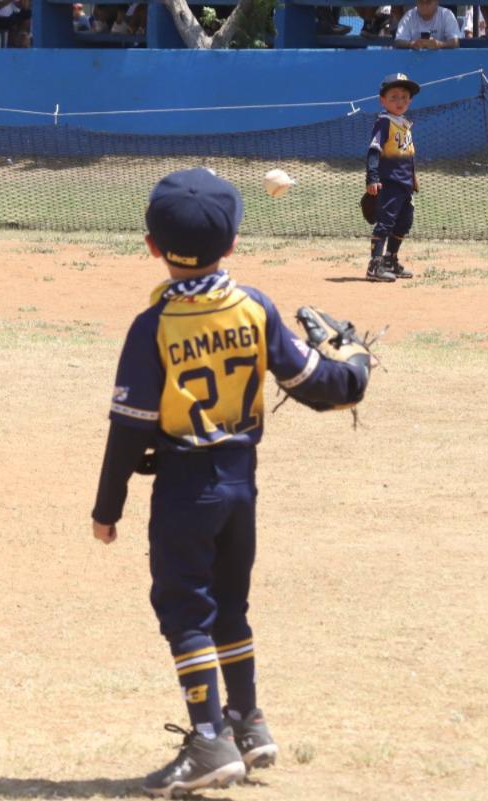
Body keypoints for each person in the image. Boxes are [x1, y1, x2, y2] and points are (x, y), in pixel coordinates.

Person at [89, 168, 372, 797]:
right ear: (234, 244)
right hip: (240, 486)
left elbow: (127, 430)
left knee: (184, 609)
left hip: (186, 489)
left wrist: (106, 509)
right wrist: (355, 363)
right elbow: (321, 388)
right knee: (230, 606)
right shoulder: (256, 307)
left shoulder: (153, 326)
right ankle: (248, 721)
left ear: (152, 247)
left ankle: (210, 740)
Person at [365, 73, 420, 281]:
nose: (400, 101)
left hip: (405, 184)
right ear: (383, 100)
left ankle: (390, 259)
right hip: (389, 183)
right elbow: (373, 150)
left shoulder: (404, 124)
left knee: (404, 222)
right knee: (385, 222)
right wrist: (372, 177)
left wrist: (413, 178)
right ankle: (375, 265)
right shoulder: (385, 122)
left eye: (405, 97)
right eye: (394, 96)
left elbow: (408, 155)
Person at [394, 0, 461, 47]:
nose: (424, 5)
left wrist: (439, 44)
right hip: (414, 62)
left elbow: (455, 42)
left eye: (428, 2)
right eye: (421, 2)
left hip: (443, 62)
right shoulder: (409, 16)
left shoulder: (446, 14)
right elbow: (398, 41)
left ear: (436, 2)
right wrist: (412, 44)